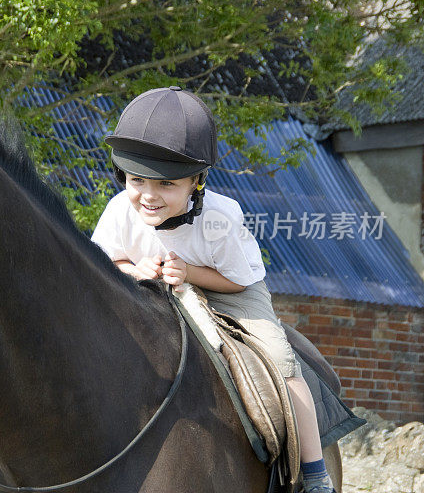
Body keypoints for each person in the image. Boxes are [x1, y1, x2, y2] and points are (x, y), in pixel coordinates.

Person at [91, 87, 335, 493]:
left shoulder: (221, 217)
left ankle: (315, 474)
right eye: (137, 180)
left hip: (231, 290)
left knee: (282, 365)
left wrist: (188, 272)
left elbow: (238, 279)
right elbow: (108, 261)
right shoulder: (120, 208)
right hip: (154, 285)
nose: (148, 196)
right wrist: (135, 270)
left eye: (166, 184)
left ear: (195, 183)